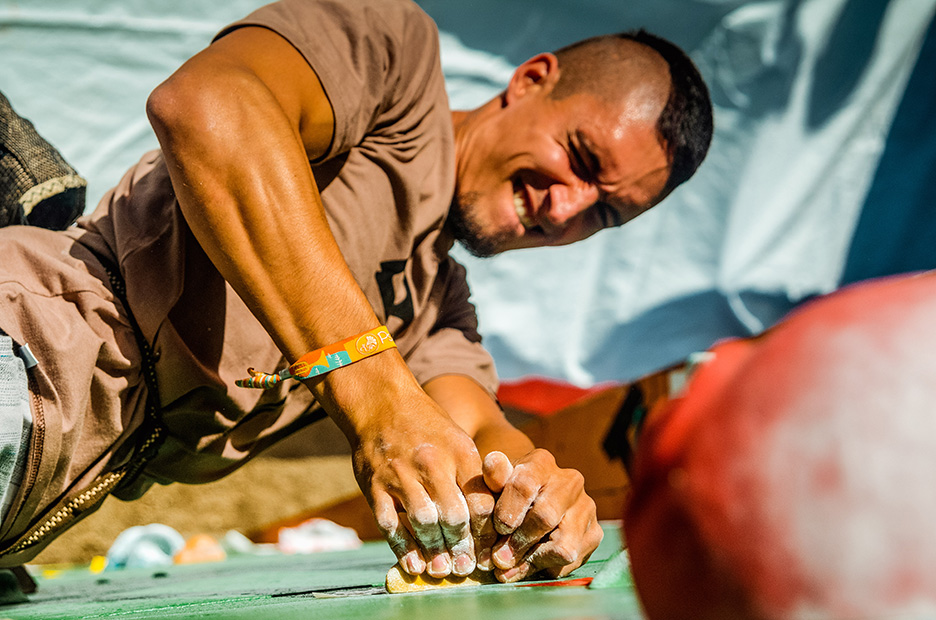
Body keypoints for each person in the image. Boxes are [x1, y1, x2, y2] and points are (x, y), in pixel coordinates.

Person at [0, 0, 712, 583]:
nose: (566, 209)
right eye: (579, 157)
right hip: (27, 346)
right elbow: (208, 104)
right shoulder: (395, 54)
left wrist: (542, 495)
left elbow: (482, 439)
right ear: (531, 79)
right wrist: (375, 395)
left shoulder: (440, 306)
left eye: (604, 213)